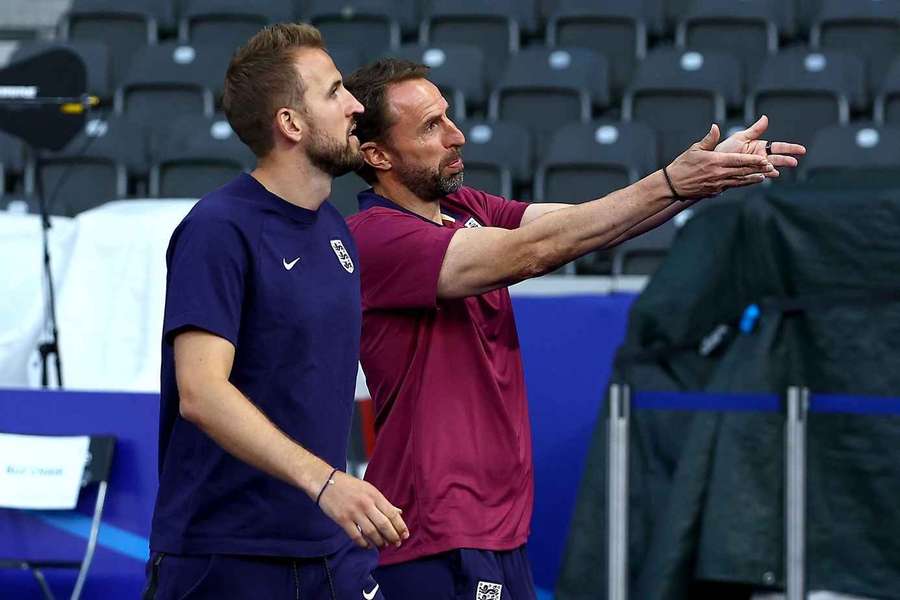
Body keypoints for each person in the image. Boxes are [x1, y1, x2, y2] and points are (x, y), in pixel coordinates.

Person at [343, 58, 806, 599]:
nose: (456, 135)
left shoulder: (461, 206)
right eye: (430, 126)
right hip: (433, 533)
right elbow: (536, 250)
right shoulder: (373, 237)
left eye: (447, 117)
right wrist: (671, 182)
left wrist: (693, 185)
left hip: (497, 528)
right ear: (377, 156)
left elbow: (579, 223)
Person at [143, 24, 408, 600]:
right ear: (290, 123)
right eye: (334, 92)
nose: (356, 106)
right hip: (228, 555)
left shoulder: (336, 230)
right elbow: (201, 392)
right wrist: (327, 483)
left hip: (330, 547)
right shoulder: (218, 229)